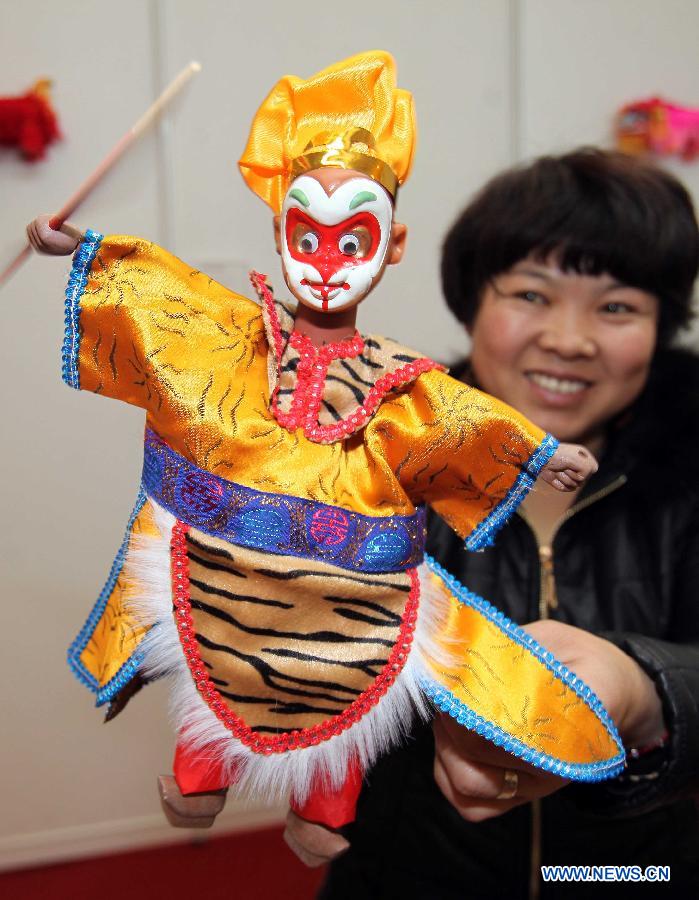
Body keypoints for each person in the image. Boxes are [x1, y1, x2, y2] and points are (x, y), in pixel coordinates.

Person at [26, 54, 615, 861]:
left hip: (356, 597)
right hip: (223, 565)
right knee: (213, 665)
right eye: (306, 233)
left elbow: (461, 419)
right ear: (278, 233)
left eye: (355, 236)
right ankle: (201, 780)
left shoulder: (407, 385)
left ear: (394, 244)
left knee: (351, 696)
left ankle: (323, 812)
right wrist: (82, 248)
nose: (328, 257)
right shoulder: (238, 335)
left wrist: (539, 454)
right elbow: (167, 296)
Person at [319, 149, 699, 897]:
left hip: (637, 875)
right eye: (530, 294)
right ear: (470, 301)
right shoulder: (373, 456)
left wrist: (647, 686)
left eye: (616, 306)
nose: (568, 339)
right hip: (405, 878)